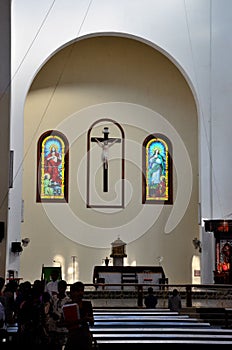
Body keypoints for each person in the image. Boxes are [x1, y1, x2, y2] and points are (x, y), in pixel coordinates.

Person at [63, 281, 94, 350]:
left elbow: (92, 323)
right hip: (73, 336)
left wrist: (90, 319)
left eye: (81, 291)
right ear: (72, 292)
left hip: (85, 336)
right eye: (77, 291)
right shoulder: (68, 305)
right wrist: (82, 320)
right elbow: (64, 322)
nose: (80, 293)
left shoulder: (87, 304)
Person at [48, 279, 71, 350]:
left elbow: (68, 314)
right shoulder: (53, 298)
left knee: (62, 344)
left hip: (63, 327)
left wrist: (60, 317)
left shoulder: (68, 300)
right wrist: (52, 314)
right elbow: (49, 309)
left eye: (62, 287)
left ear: (65, 288)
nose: (60, 288)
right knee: (53, 344)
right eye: (59, 287)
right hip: (53, 325)